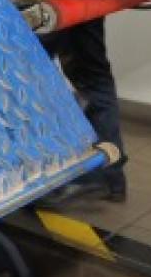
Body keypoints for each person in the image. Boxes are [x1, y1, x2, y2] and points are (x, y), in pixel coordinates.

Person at [40, 17, 127, 205]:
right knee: (92, 75)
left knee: (30, 75)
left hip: (43, 2)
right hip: (86, 0)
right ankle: (107, 175)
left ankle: (42, 178)